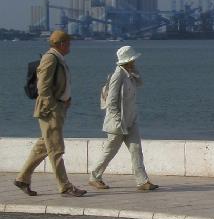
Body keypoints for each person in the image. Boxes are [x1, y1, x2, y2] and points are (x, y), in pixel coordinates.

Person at [14, 30, 87, 197]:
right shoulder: (50, 58)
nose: (70, 45)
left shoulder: (58, 58)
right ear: (60, 44)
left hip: (58, 107)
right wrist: (53, 106)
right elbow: (43, 87)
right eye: (68, 42)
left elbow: (59, 84)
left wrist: (65, 99)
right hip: (50, 110)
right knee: (56, 149)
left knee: (44, 145)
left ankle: (22, 179)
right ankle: (65, 187)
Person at [89, 45, 158, 191]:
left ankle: (142, 181)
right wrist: (116, 121)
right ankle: (94, 176)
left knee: (136, 149)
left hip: (131, 120)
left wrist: (134, 71)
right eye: (133, 60)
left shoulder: (129, 74)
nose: (135, 62)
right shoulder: (117, 76)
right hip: (118, 123)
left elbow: (140, 83)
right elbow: (111, 102)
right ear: (128, 60)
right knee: (110, 150)